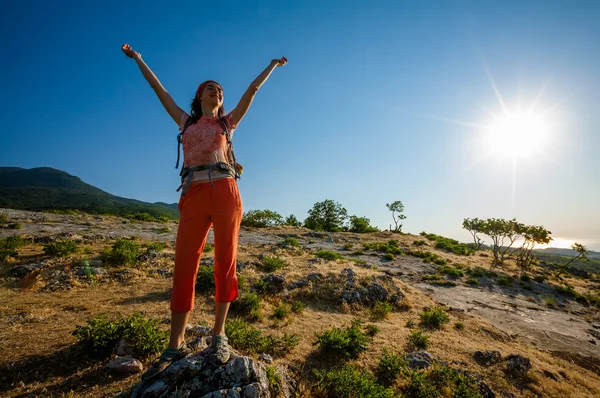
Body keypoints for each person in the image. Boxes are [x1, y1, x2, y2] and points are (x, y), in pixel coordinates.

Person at [121, 43, 287, 379]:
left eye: (221, 90)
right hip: (192, 194)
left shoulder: (227, 123)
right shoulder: (185, 121)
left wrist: (271, 65)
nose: (217, 90)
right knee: (184, 265)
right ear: (200, 96)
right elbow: (159, 89)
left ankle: (219, 334)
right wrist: (139, 58)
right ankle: (175, 342)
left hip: (226, 192)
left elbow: (252, 90)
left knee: (226, 264)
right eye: (211, 87)